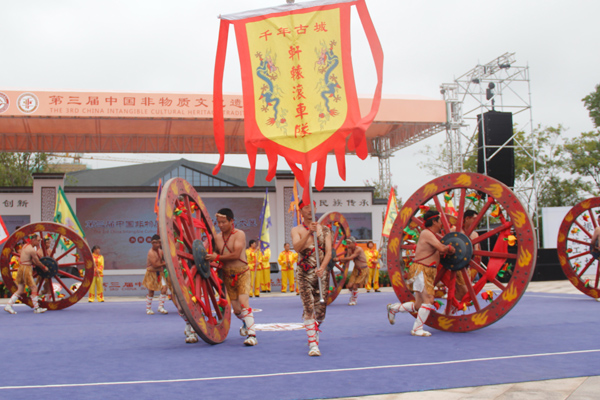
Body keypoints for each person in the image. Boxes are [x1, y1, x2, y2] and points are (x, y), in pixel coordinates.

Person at [386, 210, 455, 336]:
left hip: (424, 270)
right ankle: (417, 329)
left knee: (418, 304)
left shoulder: (430, 234)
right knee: (429, 299)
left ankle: (394, 308)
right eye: (440, 221)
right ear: (434, 222)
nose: (441, 224)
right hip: (422, 269)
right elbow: (442, 248)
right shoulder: (427, 233)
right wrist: (450, 248)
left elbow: (438, 251)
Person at [206, 208, 257, 346]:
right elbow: (212, 254)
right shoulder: (217, 238)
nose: (221, 225)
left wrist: (216, 257)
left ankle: (252, 336)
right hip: (228, 275)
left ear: (231, 221)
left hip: (242, 273)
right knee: (236, 310)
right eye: (219, 222)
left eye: (223, 222)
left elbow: (235, 255)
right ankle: (246, 323)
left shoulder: (239, 234)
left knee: (243, 302)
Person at [291, 199, 332, 356]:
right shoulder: (297, 230)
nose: (309, 210)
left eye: (312, 207)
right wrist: (309, 232)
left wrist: (322, 267)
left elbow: (328, 252)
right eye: (306, 208)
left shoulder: (325, 230)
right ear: (301, 211)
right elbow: (297, 248)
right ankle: (313, 345)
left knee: (320, 312)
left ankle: (314, 329)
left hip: (321, 273)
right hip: (304, 272)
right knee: (308, 308)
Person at [4, 233, 48, 314]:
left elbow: (31, 259)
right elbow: (37, 261)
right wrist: (44, 267)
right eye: (38, 240)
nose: (39, 242)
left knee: (20, 290)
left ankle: (8, 306)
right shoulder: (31, 250)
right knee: (34, 288)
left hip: (21, 269)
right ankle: (36, 308)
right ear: (33, 240)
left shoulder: (25, 246)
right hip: (26, 269)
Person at [337, 237, 368, 305]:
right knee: (349, 286)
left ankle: (354, 299)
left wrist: (338, 259)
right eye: (347, 243)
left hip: (363, 269)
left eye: (349, 243)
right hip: (356, 269)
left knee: (355, 286)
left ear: (354, 243)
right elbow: (347, 259)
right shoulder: (349, 250)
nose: (347, 245)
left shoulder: (358, 249)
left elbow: (350, 258)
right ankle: (354, 294)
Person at [142, 234, 169, 315]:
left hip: (160, 273)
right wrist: (165, 264)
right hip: (151, 273)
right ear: (152, 243)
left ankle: (161, 307)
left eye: (158, 242)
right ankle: (148, 308)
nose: (157, 244)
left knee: (164, 288)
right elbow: (155, 265)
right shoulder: (151, 252)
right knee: (151, 291)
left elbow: (165, 260)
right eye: (155, 243)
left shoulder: (160, 251)